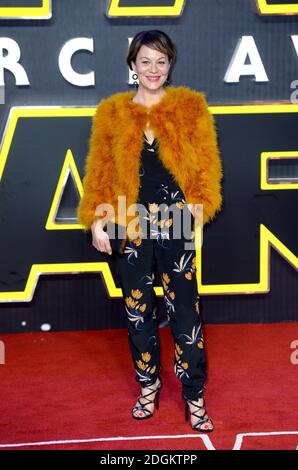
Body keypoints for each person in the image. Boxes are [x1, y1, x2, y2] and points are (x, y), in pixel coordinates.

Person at [77, 30, 223, 433]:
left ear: (170, 65)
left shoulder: (191, 108)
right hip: (129, 222)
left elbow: (207, 166)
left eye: (161, 61)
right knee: (138, 313)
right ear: (132, 65)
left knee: (186, 314)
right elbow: (100, 171)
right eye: (145, 61)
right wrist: (95, 218)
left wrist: (197, 206)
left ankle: (194, 395)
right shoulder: (112, 113)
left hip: (176, 223)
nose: (153, 69)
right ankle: (148, 386)